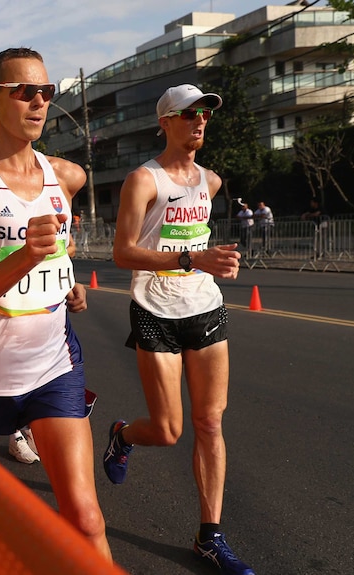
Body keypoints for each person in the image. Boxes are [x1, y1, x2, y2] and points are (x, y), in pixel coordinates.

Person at [0, 47, 111, 560]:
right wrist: (24, 256)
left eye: (46, 92)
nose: (38, 103)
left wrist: (65, 281)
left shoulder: (64, 175)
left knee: (84, 518)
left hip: (55, 364)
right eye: (24, 92)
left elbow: (57, 249)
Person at [105, 83, 254, 575]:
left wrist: (212, 265)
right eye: (189, 115)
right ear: (166, 121)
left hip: (203, 305)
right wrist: (193, 257)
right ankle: (123, 436)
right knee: (169, 430)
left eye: (205, 115)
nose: (200, 122)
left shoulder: (209, 181)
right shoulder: (142, 181)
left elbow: (199, 242)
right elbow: (123, 252)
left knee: (210, 422)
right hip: (154, 306)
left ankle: (210, 535)